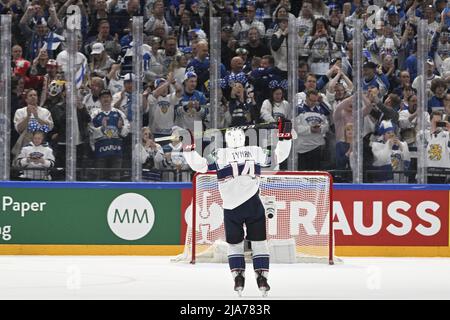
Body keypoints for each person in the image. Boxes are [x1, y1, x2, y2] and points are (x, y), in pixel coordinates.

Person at [182, 121, 293, 296]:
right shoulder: (256, 151)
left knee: (234, 245)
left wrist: (188, 148)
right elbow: (280, 156)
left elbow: (199, 166)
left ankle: (238, 277)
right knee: (259, 243)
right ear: (243, 139)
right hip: (253, 205)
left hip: (231, 209)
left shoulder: (219, 154)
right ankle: (262, 277)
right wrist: (284, 137)